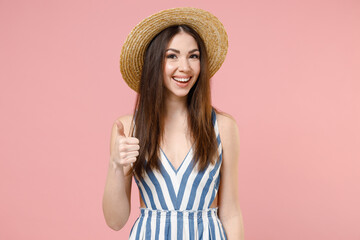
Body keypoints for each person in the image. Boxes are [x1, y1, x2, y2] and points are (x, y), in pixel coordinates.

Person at [102, 7, 244, 239]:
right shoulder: (128, 129)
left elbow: (231, 213)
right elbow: (115, 221)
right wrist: (116, 166)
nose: (185, 67)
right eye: (172, 56)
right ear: (155, 62)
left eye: (193, 56)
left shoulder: (223, 127)